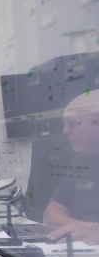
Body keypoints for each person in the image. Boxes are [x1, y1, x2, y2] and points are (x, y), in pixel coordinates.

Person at [45, 91, 99, 245]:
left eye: (72, 123)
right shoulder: (82, 161)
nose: (65, 131)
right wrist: (86, 228)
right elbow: (51, 215)